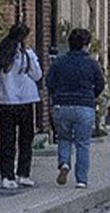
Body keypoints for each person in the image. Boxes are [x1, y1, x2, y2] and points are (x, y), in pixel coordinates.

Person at [45, 27, 106, 189]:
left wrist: (56, 95)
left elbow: (49, 82)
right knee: (82, 143)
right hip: (84, 105)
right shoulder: (91, 63)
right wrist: (92, 95)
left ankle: (64, 163)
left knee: (63, 138)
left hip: (62, 105)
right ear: (86, 45)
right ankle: (81, 179)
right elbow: (100, 83)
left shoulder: (59, 62)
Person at [0, 22, 42, 191]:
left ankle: (7, 176)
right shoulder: (26, 54)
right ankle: (23, 174)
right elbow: (37, 75)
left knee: (7, 140)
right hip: (25, 100)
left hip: (5, 101)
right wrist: (32, 56)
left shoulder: (0, 53)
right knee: (26, 139)